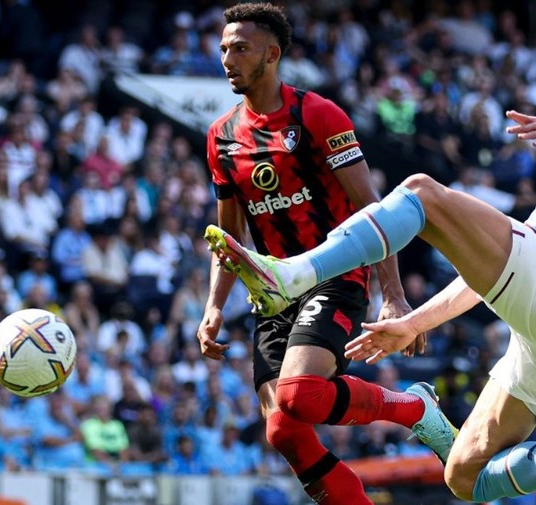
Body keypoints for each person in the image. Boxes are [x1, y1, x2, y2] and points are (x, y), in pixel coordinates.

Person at [205, 27, 536, 502]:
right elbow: (486, 278)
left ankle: (294, 273)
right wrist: (414, 322)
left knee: (421, 192)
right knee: (464, 475)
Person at [196, 4, 453, 505]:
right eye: (224, 47)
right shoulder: (222, 138)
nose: (227, 58)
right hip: (271, 293)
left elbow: (372, 210)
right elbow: (228, 239)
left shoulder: (317, 115)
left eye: (240, 48)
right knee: (283, 433)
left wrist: (394, 296)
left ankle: (414, 409)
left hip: (333, 275)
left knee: (299, 396)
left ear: (271, 55)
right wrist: (213, 306)